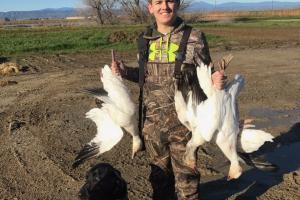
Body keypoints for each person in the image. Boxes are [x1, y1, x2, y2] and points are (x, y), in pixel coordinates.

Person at [111, 0, 277, 199]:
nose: (164, 6)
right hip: (152, 126)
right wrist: (124, 71)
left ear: (178, 4)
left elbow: (206, 74)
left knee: (187, 183)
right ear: (150, 7)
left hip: (186, 126)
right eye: (158, 2)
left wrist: (217, 79)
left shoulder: (194, 37)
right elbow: (144, 75)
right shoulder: (144, 38)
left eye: (170, 1)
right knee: (159, 181)